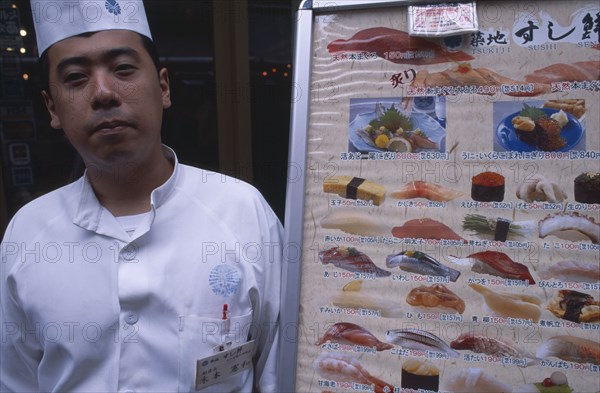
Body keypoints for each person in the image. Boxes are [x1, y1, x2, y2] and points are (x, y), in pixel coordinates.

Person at [0, 1, 282, 391]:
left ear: (163, 87)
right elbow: (15, 381)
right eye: (77, 78)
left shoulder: (242, 211)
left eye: (123, 69)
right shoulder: (27, 233)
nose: (103, 93)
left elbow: (280, 371)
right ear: (52, 107)